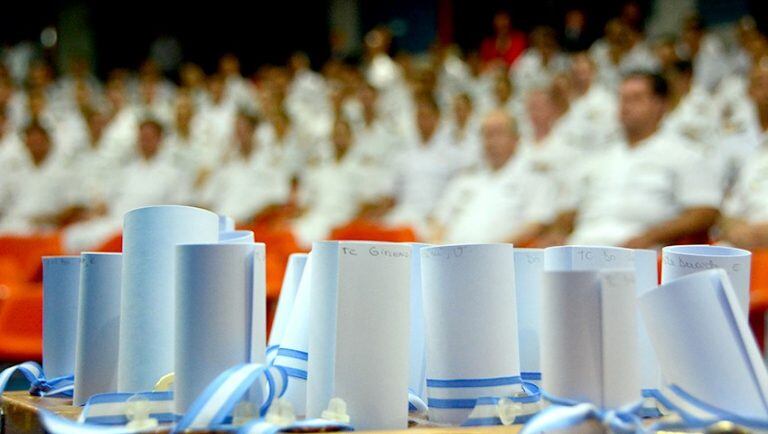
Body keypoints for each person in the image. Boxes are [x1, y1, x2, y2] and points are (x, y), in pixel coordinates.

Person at [550, 72, 721, 247]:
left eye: (636, 98)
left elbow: (704, 212)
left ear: (660, 105)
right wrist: (558, 232)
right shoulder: (597, 156)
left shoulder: (685, 154)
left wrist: (649, 237)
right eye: (622, 99)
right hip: (582, 246)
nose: (626, 106)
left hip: (643, 253)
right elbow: (567, 210)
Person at [430, 110, 557, 244]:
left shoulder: (533, 177)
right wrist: (436, 250)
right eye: (486, 134)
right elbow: (439, 220)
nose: (491, 141)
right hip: (451, 257)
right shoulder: (466, 178)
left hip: (504, 258)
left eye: (498, 133)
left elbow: (536, 224)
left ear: (516, 138)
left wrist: (492, 253)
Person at [384, 96, 468, 233]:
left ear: (437, 118)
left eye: (426, 116)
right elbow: (393, 195)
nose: (422, 121)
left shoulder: (453, 153)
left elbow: (458, 193)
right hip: (404, 215)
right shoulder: (404, 153)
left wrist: (440, 218)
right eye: (419, 117)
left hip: (435, 218)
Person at [1, 123, 86, 233]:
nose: (35, 145)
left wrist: (52, 218)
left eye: (38, 141)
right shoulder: (14, 169)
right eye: (31, 142)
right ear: (25, 144)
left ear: (48, 141)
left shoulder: (64, 170)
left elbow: (75, 204)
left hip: (47, 226)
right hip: (13, 223)